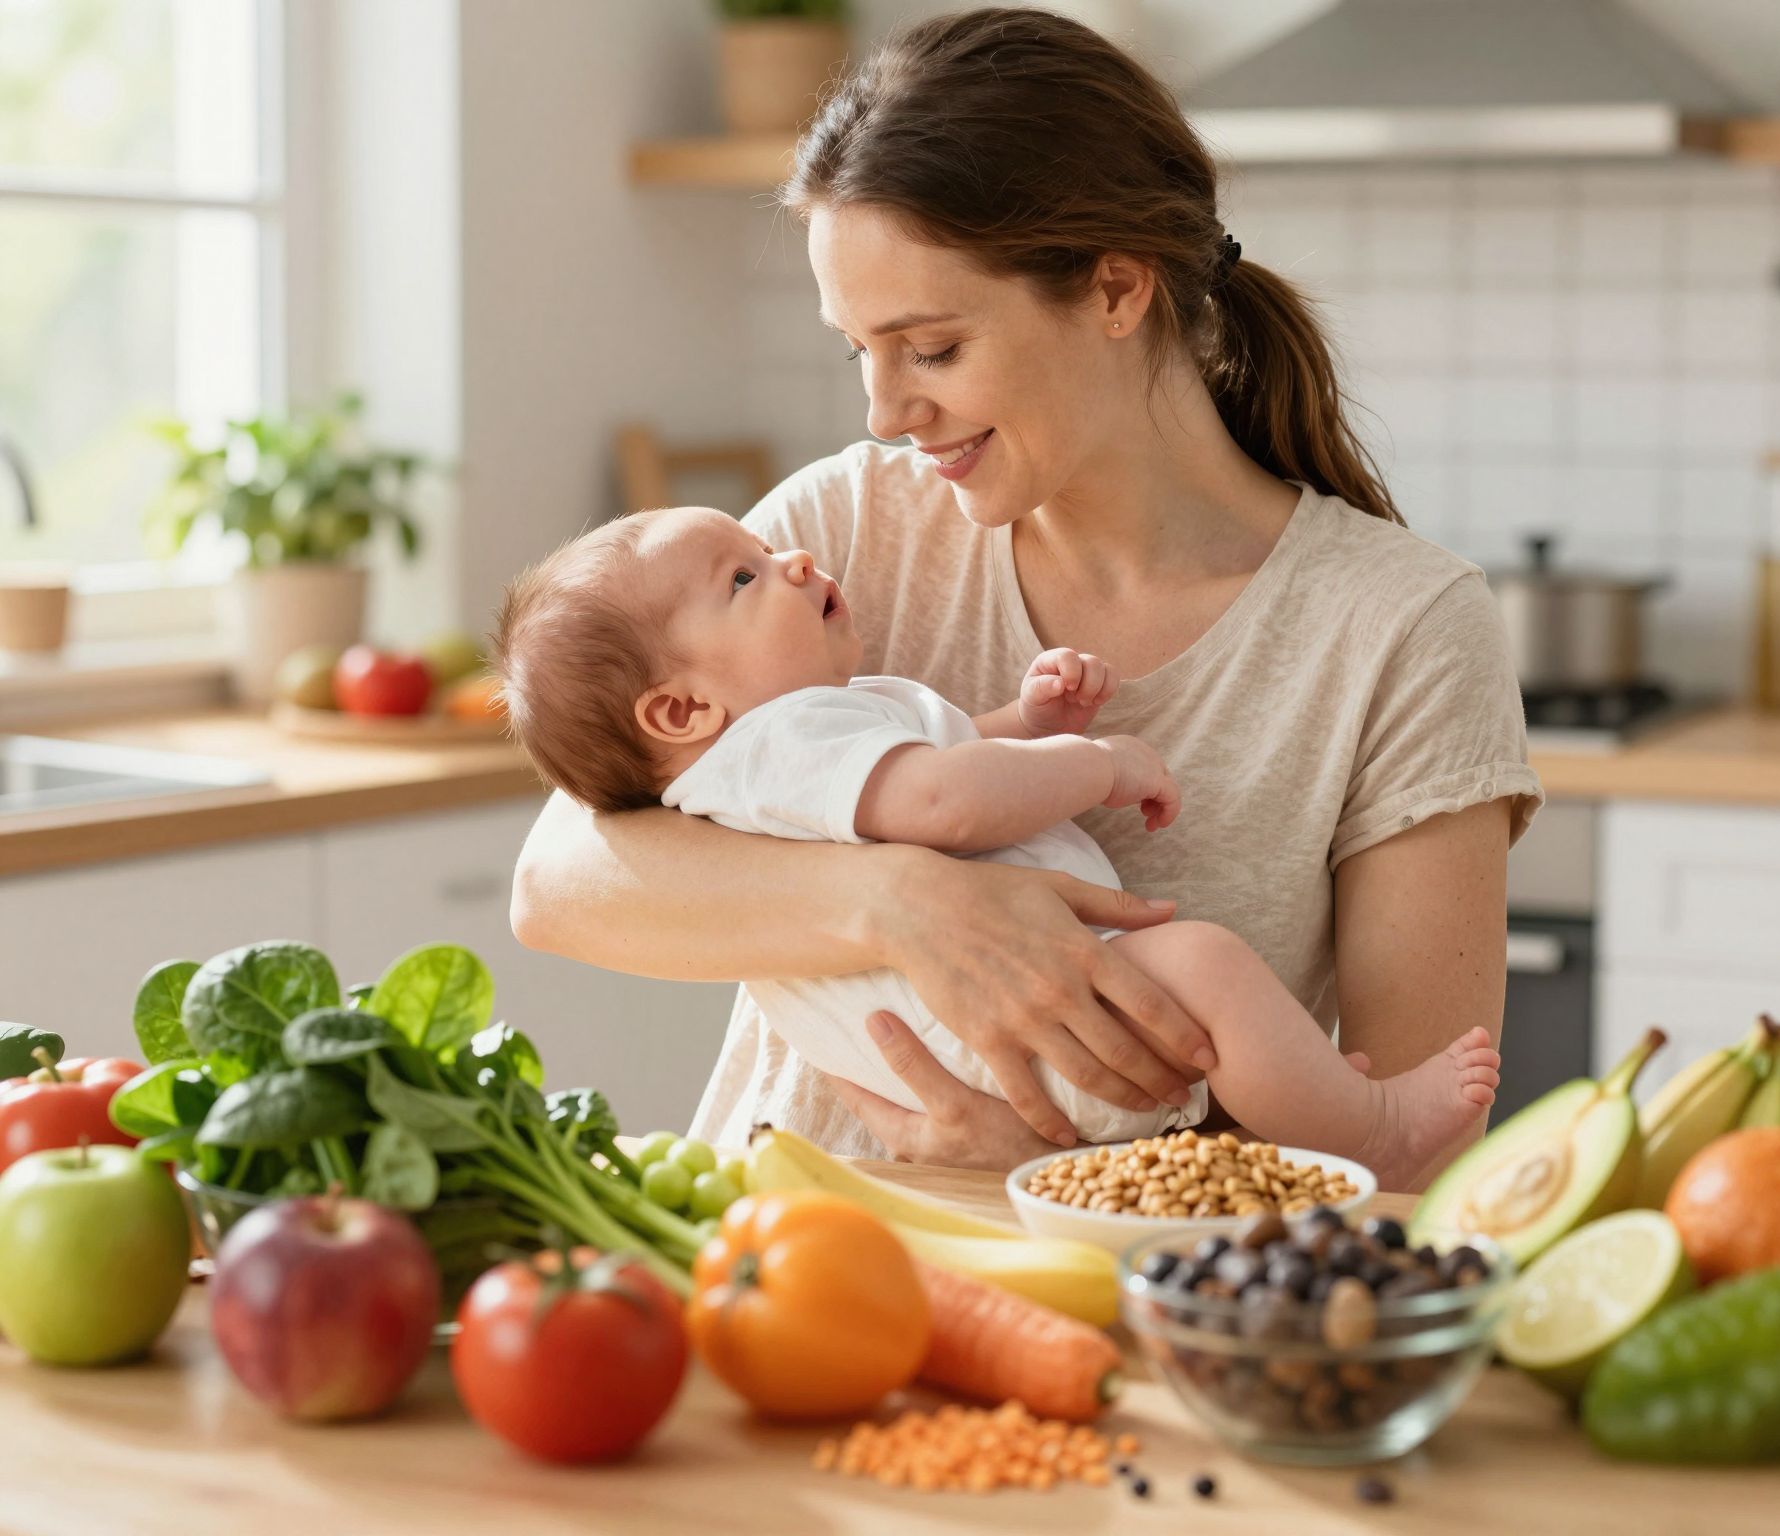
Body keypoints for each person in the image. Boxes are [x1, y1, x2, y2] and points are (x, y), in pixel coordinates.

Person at [509, 7, 1542, 1179]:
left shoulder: (1397, 630)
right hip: (772, 1273)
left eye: (932, 350)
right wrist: (900, 901)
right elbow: (561, 886)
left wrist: (1059, 1168)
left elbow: (1414, 1176)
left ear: (1114, 289)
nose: (885, 413)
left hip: (1119, 1314)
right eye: (860, 352)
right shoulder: (829, 537)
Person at [492, 506, 1503, 1185]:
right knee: (1198, 963)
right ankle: (1365, 1128)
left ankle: (1328, 1108)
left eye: (932, 345)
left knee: (1196, 985)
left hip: (1007, 1098)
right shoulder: (772, 744)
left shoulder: (794, 730)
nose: (791, 557)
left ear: (1114, 292)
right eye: (747, 576)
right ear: (679, 707)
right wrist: (1096, 761)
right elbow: (940, 803)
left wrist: (1021, 720)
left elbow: (942, 759)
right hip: (978, 1059)